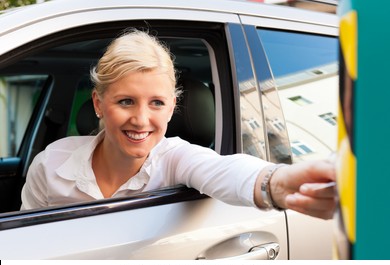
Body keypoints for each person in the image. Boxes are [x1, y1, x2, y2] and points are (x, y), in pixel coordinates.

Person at [20, 29, 337, 220]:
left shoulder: (175, 158)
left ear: (172, 109)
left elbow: (227, 171)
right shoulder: (51, 163)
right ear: (98, 104)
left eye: (156, 103)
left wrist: (279, 184)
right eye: (126, 101)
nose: (141, 120)